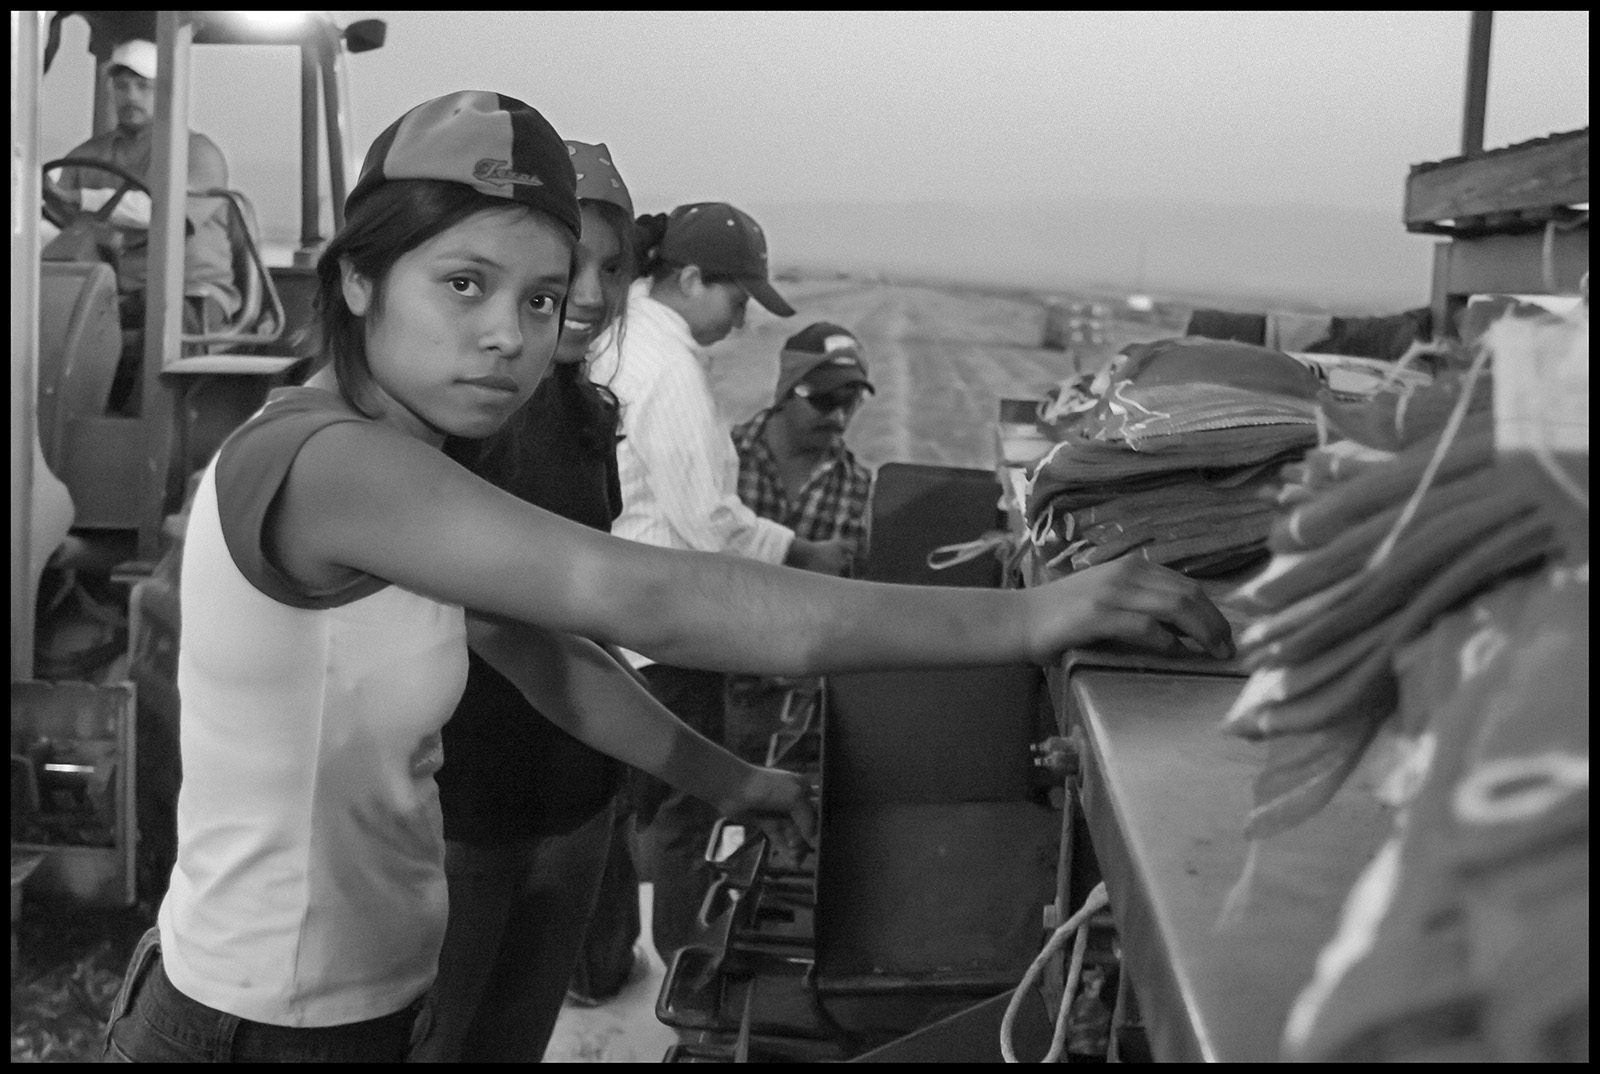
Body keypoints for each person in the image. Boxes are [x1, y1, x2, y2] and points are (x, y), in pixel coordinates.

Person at [102, 90, 1233, 1064]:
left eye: (541, 299)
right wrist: (1033, 616)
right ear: (357, 281)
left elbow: (544, 652)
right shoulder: (326, 465)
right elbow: (647, 597)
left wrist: (729, 779)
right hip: (263, 1028)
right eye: (463, 283)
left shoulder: (410, 468)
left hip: (366, 1001)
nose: (510, 335)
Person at [409, 140, 642, 1063]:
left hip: (572, 814)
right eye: (568, 267)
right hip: (460, 823)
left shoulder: (588, 419)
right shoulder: (453, 424)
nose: (591, 293)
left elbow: (587, 621)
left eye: (614, 268)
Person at [582, 201, 857, 977]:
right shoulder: (668, 369)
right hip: (662, 631)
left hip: (611, 616)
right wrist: (802, 551)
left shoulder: (619, 338)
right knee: (683, 809)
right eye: (737, 301)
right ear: (691, 278)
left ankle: (599, 963)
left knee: (608, 807)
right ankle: (690, 958)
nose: (739, 324)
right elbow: (708, 521)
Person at [47, 38, 240, 412]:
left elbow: (162, 213)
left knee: (166, 322)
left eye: (143, 85)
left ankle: (138, 443)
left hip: (191, 294)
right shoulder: (87, 155)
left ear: (164, 89)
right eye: (122, 85)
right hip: (111, 293)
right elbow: (54, 215)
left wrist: (84, 200)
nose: (130, 95)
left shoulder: (197, 153)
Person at [726, 321, 877, 762]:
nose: (839, 418)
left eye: (850, 403)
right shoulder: (720, 462)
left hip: (799, 710)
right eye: (825, 400)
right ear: (787, 390)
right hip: (710, 686)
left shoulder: (862, 491)